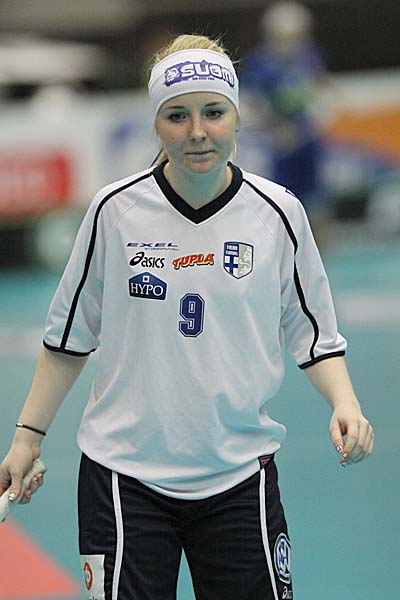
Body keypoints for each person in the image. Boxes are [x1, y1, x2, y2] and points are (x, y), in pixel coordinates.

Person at [0, 33, 373, 600]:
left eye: (214, 112)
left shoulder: (278, 214)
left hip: (239, 476)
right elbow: (67, 339)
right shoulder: (113, 213)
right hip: (124, 478)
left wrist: (345, 403)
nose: (197, 131)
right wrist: (27, 439)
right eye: (177, 116)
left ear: (238, 118)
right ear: (156, 124)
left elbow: (313, 333)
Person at [241, 1, 330, 216]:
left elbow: (319, 85)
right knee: (282, 199)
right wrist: (275, 128)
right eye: (287, 36)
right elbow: (252, 102)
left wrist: (318, 114)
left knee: (316, 199)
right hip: (279, 144)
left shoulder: (309, 55)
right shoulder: (261, 63)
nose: (293, 42)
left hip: (307, 138)